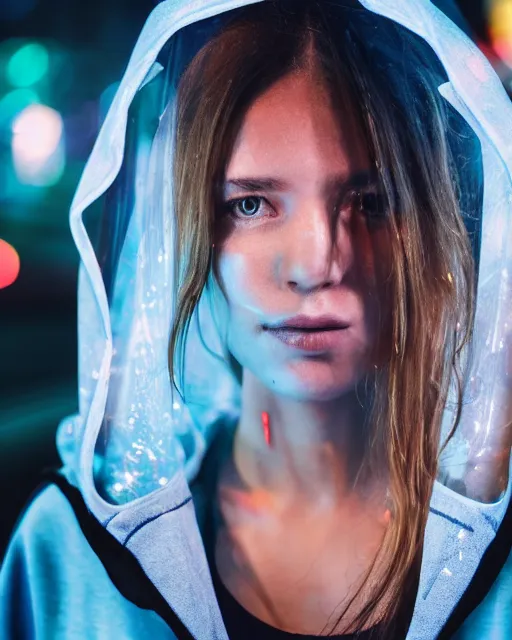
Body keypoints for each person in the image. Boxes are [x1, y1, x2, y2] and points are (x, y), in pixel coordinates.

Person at [1, 1, 511, 638]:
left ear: (437, 226)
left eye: (371, 201)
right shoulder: (68, 555)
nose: (317, 262)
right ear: (183, 233)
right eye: (250, 205)